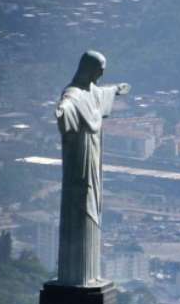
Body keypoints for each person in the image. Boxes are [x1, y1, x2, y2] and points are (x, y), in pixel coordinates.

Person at [55, 50, 130, 286]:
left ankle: (89, 275)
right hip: (80, 158)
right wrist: (63, 111)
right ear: (88, 68)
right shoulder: (74, 94)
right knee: (81, 204)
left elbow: (101, 93)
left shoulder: (92, 92)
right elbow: (67, 104)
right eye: (99, 70)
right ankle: (77, 276)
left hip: (95, 156)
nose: (101, 74)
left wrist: (116, 89)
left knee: (94, 205)